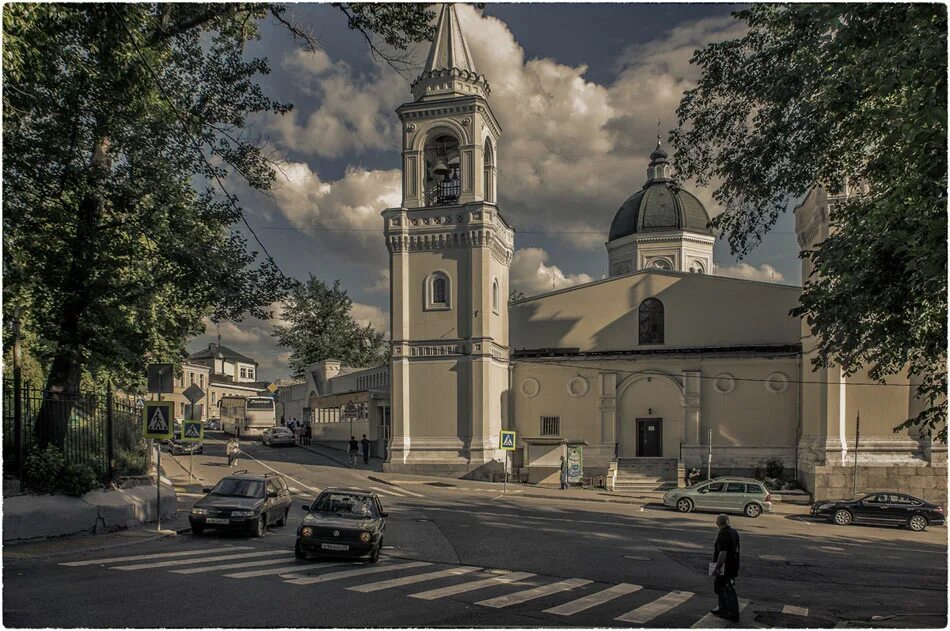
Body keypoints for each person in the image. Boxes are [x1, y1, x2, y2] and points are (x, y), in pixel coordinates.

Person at [711, 514, 741, 622]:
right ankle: (722, 608)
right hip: (733, 565)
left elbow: (723, 553)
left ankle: (733, 613)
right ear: (728, 522)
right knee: (721, 587)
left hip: (726, 567)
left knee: (728, 590)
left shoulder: (723, 534)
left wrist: (717, 567)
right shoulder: (734, 532)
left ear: (717, 523)